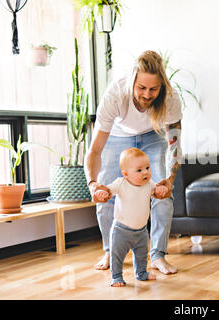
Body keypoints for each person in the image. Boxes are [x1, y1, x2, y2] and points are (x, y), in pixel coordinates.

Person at [84, 50, 183, 275]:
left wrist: (170, 179)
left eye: (153, 89)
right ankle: (110, 250)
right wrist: (92, 183)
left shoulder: (170, 99)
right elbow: (95, 150)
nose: (147, 95)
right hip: (117, 135)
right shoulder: (115, 95)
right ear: (132, 82)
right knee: (105, 191)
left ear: (162, 87)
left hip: (152, 135)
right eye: (141, 88)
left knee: (162, 193)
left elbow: (174, 146)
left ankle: (158, 255)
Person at [94, 148, 169, 287]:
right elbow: (108, 191)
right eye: (139, 170)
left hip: (141, 231)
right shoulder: (121, 183)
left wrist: (161, 190)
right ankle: (116, 276)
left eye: (147, 167)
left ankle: (141, 273)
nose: (145, 172)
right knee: (117, 256)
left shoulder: (149, 183)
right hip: (121, 231)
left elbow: (157, 190)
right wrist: (101, 192)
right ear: (126, 174)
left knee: (141, 255)